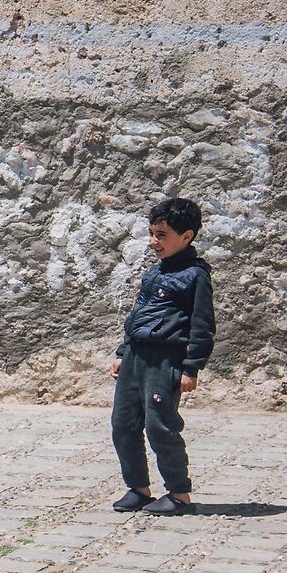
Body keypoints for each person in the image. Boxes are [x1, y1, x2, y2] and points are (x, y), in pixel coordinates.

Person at [110, 197, 215, 515]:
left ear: (187, 236)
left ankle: (179, 494)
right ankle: (139, 489)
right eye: (152, 233)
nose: (154, 242)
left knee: (160, 426)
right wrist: (123, 351)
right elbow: (139, 314)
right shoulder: (156, 273)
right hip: (135, 358)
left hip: (164, 362)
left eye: (162, 235)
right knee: (123, 424)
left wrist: (191, 367)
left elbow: (202, 326)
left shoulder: (196, 277)